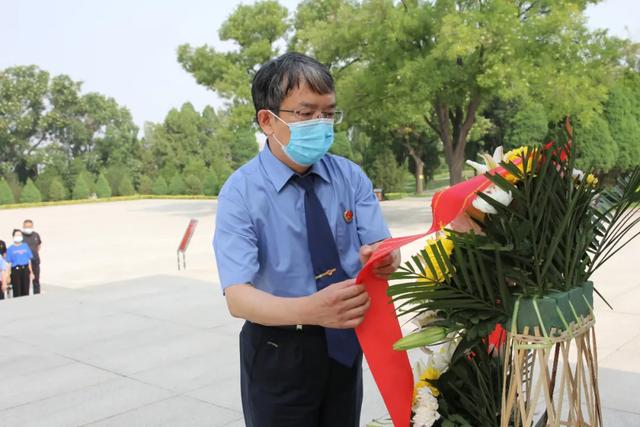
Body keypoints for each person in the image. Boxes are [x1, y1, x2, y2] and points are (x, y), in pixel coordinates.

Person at [213, 52, 401, 427]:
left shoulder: (350, 177)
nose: (321, 123)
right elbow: (237, 297)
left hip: (345, 345)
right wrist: (311, 310)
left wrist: (383, 260)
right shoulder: (241, 192)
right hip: (277, 350)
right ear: (267, 120)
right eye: (306, 112)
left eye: (328, 113)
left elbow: (382, 250)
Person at [6, 229, 34, 298]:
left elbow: (29, 261)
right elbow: (9, 263)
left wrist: (31, 272)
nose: (18, 236)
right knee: (17, 291)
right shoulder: (10, 249)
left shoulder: (25, 246)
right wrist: (8, 275)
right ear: (13, 236)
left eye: (20, 235)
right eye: (16, 235)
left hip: (25, 270)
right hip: (16, 271)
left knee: (26, 291)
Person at [22, 219, 42, 294]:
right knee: (25, 281)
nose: (28, 228)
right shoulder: (20, 236)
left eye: (29, 226)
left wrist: (35, 253)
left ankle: (37, 296)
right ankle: (25, 296)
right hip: (25, 262)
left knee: (36, 280)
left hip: (35, 261)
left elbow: (39, 245)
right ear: (23, 226)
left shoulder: (36, 235)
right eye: (26, 227)